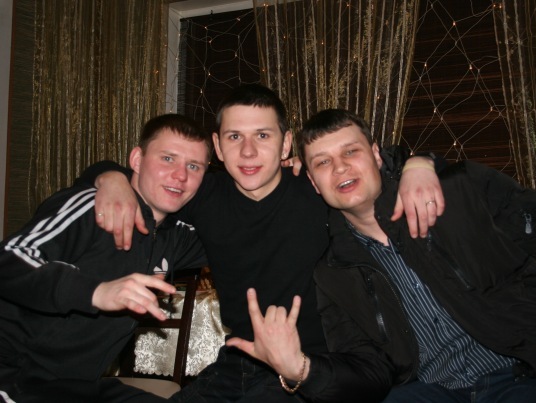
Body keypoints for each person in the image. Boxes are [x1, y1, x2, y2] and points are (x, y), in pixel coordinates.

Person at [81, 84, 445, 402]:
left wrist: (421, 164)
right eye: (234, 137)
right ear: (217, 147)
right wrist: (110, 177)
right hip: (239, 359)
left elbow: (376, 166)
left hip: (310, 364)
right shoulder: (203, 194)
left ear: (286, 143)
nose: (248, 151)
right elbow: (144, 176)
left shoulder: (316, 189)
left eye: (263, 136)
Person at [226, 109, 536, 402]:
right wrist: (301, 370)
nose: (340, 168)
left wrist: (421, 160)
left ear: (376, 155)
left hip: (524, 373)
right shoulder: (333, 272)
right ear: (314, 182)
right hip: (434, 391)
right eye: (323, 162)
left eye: (351, 152)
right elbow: (367, 370)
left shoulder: (457, 194)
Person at [0, 114, 210, 403]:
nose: (180, 175)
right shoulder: (92, 206)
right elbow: (9, 261)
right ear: (137, 160)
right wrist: (97, 292)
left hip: (77, 387)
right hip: (14, 377)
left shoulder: (176, 236)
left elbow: (245, 236)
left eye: (193, 166)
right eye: (167, 158)